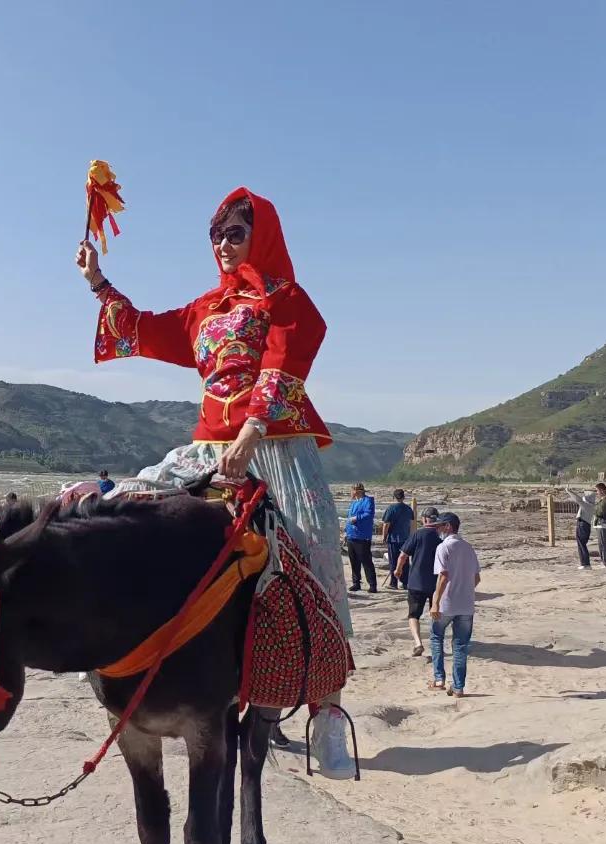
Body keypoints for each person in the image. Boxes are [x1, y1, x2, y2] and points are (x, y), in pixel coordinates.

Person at [78, 186, 357, 779]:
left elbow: (286, 359)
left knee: (319, 552)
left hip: (276, 445)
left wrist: (252, 433)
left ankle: (327, 712)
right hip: (208, 444)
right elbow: (145, 331)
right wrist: (100, 284)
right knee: (127, 500)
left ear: (262, 237)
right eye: (215, 235)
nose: (223, 245)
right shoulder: (206, 308)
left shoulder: (284, 298)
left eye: (235, 233)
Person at [429, 513, 481, 697]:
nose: (437, 530)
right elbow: (476, 578)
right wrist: (465, 590)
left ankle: (439, 678)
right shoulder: (468, 548)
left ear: (448, 526)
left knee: (436, 638)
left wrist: (435, 602)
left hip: (447, 603)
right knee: (460, 646)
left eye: (440, 526)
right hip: (466, 605)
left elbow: (443, 576)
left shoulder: (443, 548)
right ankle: (458, 687)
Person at [395, 507, 443, 656]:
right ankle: (436, 644)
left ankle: (418, 643)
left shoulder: (417, 535)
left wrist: (398, 570)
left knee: (413, 615)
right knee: (435, 614)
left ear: (424, 519)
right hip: (435, 583)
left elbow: (403, 555)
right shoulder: (440, 538)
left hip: (416, 582)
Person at [345, 483, 378, 593]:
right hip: (351, 535)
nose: (351, 493)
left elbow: (369, 514)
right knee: (353, 561)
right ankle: (356, 583)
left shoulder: (368, 501)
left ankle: (372, 585)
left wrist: (357, 518)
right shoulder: (354, 502)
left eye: (352, 490)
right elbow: (349, 517)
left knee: (366, 561)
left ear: (357, 491)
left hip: (362, 536)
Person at [379, 489, 415, 590]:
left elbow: (386, 524)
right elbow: (412, 524)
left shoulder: (391, 508)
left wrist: (384, 536)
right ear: (403, 497)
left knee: (393, 561)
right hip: (406, 538)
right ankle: (405, 583)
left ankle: (393, 583)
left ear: (394, 497)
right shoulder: (408, 509)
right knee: (405, 561)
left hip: (394, 538)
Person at [566, 485, 598, 570]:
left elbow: (578, 499)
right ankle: (585, 563)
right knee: (582, 544)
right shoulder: (592, 506)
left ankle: (585, 564)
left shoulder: (587, 505)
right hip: (586, 525)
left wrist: (569, 491)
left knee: (581, 544)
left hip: (582, 525)